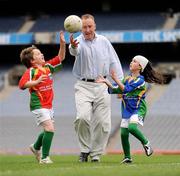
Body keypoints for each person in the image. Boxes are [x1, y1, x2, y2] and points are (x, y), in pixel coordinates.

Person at [68, 14, 124, 162]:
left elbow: (114, 62)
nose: (87, 29)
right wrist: (72, 46)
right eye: (84, 27)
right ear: (80, 28)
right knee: (82, 117)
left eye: (89, 26)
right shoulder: (77, 42)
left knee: (103, 123)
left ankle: (96, 155)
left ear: (94, 26)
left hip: (102, 85)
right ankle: (84, 150)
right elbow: (74, 51)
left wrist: (120, 85)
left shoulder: (104, 41)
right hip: (83, 85)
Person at [96, 55, 166, 164]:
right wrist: (106, 82)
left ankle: (146, 143)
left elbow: (126, 89)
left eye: (134, 61)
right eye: (132, 60)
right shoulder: (127, 78)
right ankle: (127, 157)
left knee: (132, 128)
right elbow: (117, 89)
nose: (131, 62)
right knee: (123, 134)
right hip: (127, 109)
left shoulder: (140, 80)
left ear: (140, 66)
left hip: (138, 109)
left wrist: (114, 79)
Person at [18, 31, 66, 164]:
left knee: (48, 130)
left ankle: (35, 147)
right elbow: (22, 85)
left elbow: (60, 58)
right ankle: (45, 158)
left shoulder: (47, 67)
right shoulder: (31, 71)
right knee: (50, 128)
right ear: (32, 61)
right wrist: (36, 82)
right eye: (38, 54)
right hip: (38, 105)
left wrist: (62, 44)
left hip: (48, 105)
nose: (42, 54)